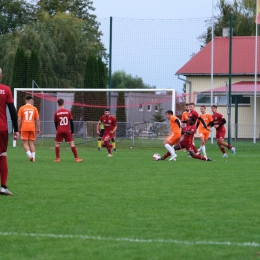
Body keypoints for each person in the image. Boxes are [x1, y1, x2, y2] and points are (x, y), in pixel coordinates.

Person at [0, 68, 19, 196]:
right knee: (2, 155)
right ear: (1, 76)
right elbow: (12, 110)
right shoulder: (6, 89)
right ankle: (3, 187)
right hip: (2, 128)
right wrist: (16, 129)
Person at [18, 95, 40, 162]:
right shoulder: (34, 108)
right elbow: (37, 120)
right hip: (32, 128)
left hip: (24, 127)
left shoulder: (21, 108)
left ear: (25, 100)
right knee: (31, 143)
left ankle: (30, 155)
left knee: (25, 143)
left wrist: (18, 128)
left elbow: (19, 120)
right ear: (31, 101)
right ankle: (33, 158)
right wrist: (38, 128)